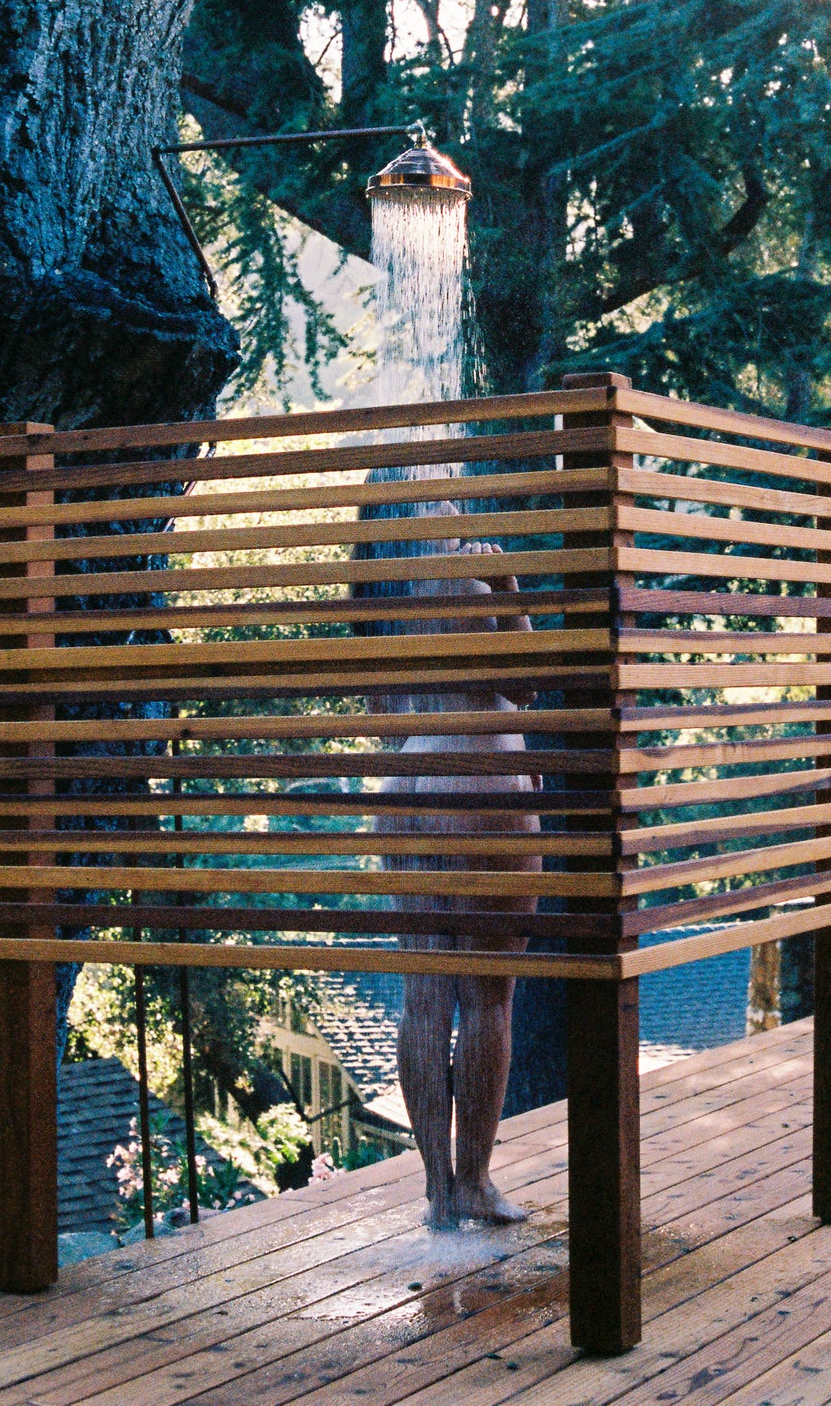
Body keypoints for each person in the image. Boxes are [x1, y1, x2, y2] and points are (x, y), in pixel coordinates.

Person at [353, 491, 541, 1229]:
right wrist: (508, 588)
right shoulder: (470, 569)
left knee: (423, 995)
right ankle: (473, 1181)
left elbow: (381, 707)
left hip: (409, 779)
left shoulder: (387, 581)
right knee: (488, 996)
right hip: (484, 779)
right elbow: (520, 683)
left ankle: (437, 1189)